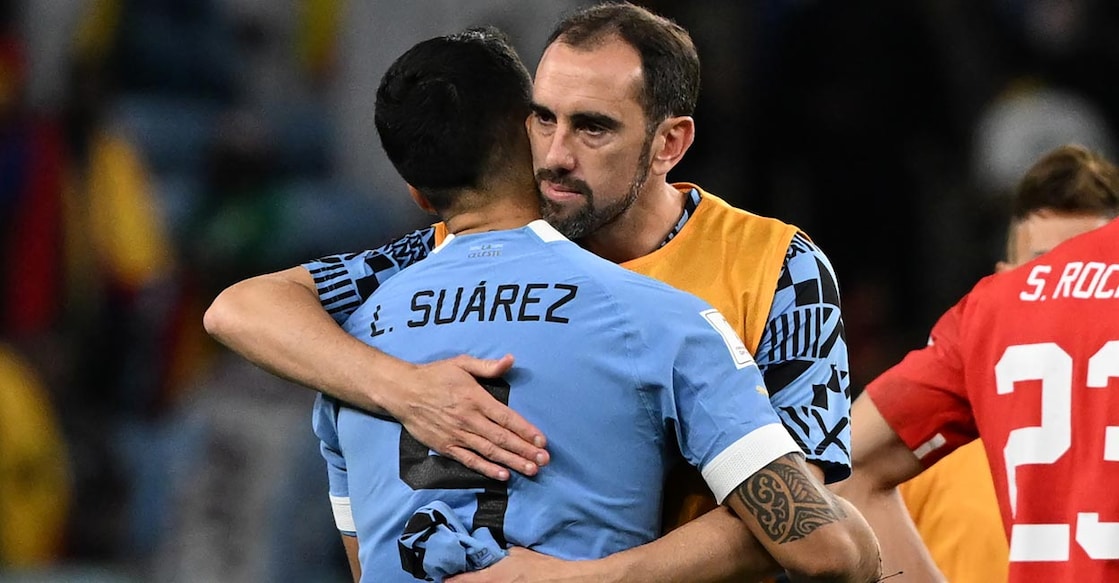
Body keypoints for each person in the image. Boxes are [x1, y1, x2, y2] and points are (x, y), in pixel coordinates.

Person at [204, 3, 853, 579]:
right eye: (543, 119)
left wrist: (591, 578)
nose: (554, 155)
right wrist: (407, 388)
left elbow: (796, 518)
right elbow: (239, 308)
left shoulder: (776, 268)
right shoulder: (443, 253)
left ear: (668, 144)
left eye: (592, 127)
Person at [837, 143, 1119, 582]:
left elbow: (843, 463)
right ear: (1008, 271)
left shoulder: (987, 314)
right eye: (1046, 266)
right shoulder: (935, 458)